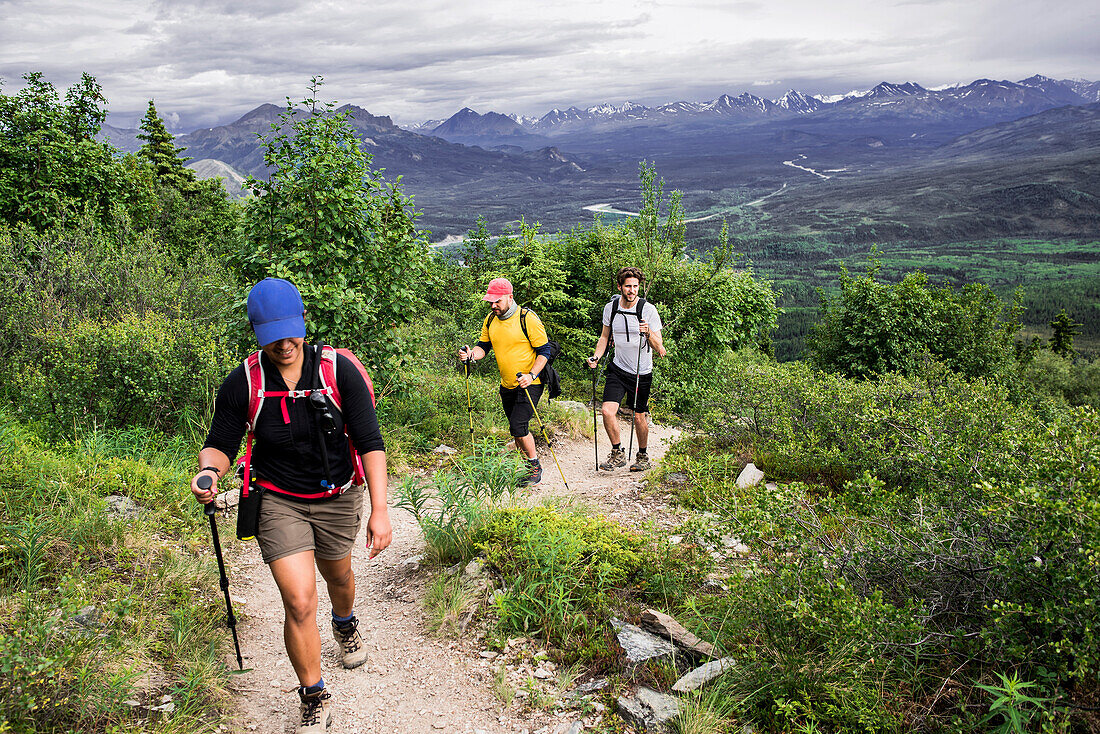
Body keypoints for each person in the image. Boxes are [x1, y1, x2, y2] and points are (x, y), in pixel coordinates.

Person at [190, 278, 391, 734]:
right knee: (299, 601)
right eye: (272, 336)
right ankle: (314, 695)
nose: (284, 344)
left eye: (291, 332)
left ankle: (344, 622)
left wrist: (380, 509)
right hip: (278, 499)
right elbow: (220, 443)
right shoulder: (244, 381)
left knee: (338, 576)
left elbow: (370, 442)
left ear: (303, 323)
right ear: (257, 333)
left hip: (338, 496)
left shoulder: (339, 370)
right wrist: (209, 472)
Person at [458, 277, 551, 486]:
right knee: (514, 427)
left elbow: (545, 351)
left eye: (497, 301)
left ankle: (534, 467)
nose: (493, 305)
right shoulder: (490, 319)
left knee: (519, 425)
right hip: (507, 383)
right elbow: (484, 346)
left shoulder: (527, 318)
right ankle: (526, 465)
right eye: (490, 301)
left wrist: (532, 375)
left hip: (530, 383)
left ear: (510, 297)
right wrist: (471, 354)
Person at [587, 266, 666, 472]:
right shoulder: (611, 308)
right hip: (618, 368)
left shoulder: (648, 310)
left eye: (636, 286)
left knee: (639, 416)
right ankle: (617, 453)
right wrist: (597, 356)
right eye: (628, 286)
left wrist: (648, 332)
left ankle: (642, 456)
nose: (632, 290)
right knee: (606, 411)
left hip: (642, 372)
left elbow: (661, 349)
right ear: (620, 286)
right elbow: (604, 337)